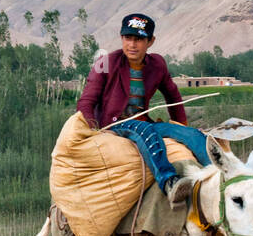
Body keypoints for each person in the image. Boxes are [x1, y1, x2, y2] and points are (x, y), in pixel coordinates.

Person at [76, 13, 211, 209]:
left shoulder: (157, 65)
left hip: (142, 121)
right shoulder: (106, 63)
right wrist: (92, 130)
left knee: (192, 134)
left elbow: (173, 95)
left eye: (139, 39)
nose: (132, 44)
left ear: (150, 42)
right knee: (145, 131)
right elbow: (86, 102)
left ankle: (219, 176)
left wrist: (180, 123)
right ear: (121, 39)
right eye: (128, 38)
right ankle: (170, 183)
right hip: (115, 124)